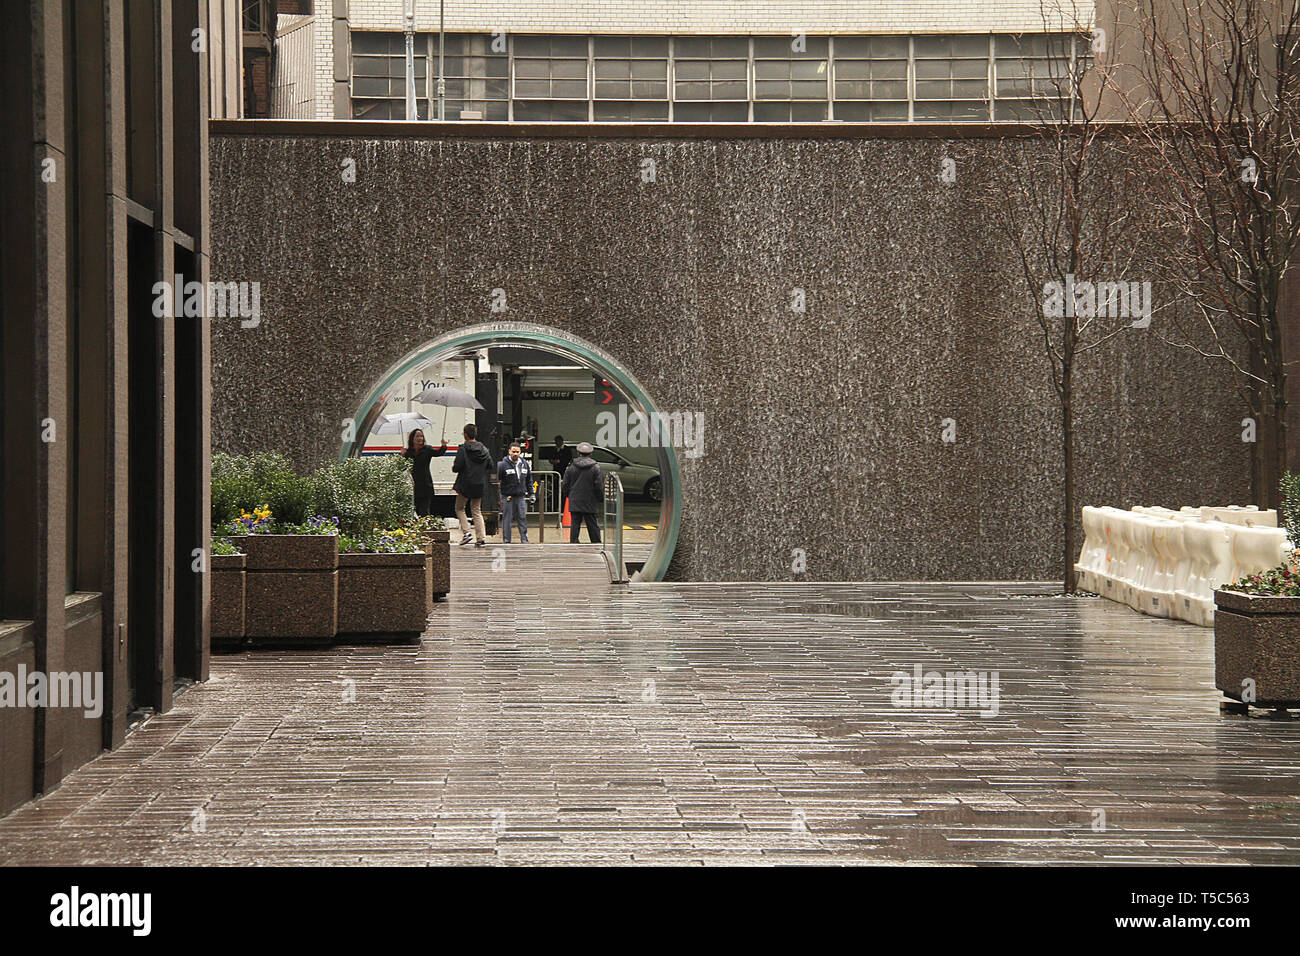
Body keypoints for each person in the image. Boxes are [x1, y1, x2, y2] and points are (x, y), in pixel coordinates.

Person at [451, 423, 492, 547]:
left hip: (465, 483)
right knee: (476, 510)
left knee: (459, 508)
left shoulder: (463, 449)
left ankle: (467, 532)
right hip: (479, 484)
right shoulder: (484, 449)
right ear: (475, 434)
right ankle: (481, 539)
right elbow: (490, 465)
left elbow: (456, 467)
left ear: (465, 435)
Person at [562, 441, 603, 544]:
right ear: (590, 454)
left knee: (575, 523)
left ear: (578, 453)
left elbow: (565, 484)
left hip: (575, 499)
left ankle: (574, 543)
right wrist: (599, 498)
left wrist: (568, 495)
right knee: (592, 524)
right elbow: (598, 485)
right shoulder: (595, 467)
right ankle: (596, 543)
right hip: (590, 500)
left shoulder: (571, 466)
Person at [401, 428, 447, 517]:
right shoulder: (409, 452)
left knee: (424, 510)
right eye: (417, 436)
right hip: (414, 485)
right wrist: (403, 456)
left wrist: (443, 446)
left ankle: (425, 528)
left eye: (421, 436)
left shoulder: (427, 449)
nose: (420, 438)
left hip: (426, 484)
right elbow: (403, 467)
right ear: (412, 439)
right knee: (413, 510)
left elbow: (439, 453)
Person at [497, 442, 534, 544]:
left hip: (520, 496)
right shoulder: (502, 465)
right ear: (509, 451)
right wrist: (498, 497)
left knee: (522, 518)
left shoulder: (525, 464)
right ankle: (506, 541)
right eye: (513, 452)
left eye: (517, 452)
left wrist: (532, 493)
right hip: (507, 496)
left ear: (520, 452)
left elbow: (529, 480)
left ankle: (524, 540)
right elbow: (497, 481)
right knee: (507, 520)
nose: (515, 454)